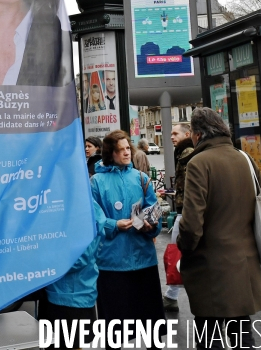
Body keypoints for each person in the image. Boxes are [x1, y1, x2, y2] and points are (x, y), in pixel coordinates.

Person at [177, 108, 261, 349]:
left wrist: (183, 248)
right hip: (244, 264)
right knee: (242, 336)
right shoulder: (244, 158)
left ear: (197, 135)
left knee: (210, 338)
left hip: (210, 268)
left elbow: (192, 223)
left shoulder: (199, 163)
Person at [91, 130, 166, 348]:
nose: (126, 153)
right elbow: (93, 217)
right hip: (112, 263)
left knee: (151, 326)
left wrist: (151, 226)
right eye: (121, 150)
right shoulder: (96, 182)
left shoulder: (141, 178)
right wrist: (114, 224)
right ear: (110, 153)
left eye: (128, 148)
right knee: (114, 329)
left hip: (144, 260)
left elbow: (154, 210)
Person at [39, 200, 106, 349]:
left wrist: (42, 262)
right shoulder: (55, 200)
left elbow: (80, 256)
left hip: (73, 296)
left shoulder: (82, 204)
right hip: (54, 293)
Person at [163, 123, 194, 312]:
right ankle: (171, 294)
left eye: (175, 133)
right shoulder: (182, 152)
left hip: (186, 213)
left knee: (177, 252)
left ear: (187, 134)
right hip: (183, 210)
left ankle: (172, 295)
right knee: (177, 253)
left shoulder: (188, 153)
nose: (172, 137)